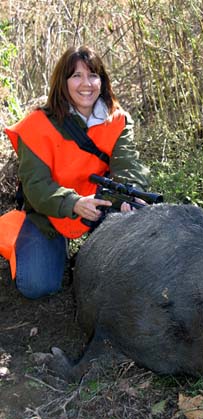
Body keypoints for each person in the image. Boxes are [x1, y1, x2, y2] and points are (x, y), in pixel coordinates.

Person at [3, 45, 149, 299]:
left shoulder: (118, 121)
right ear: (63, 82)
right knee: (37, 287)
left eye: (93, 75)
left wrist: (131, 197)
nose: (86, 84)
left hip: (99, 206)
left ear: (102, 81)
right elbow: (35, 187)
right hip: (48, 213)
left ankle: (85, 255)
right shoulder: (36, 126)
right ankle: (15, 230)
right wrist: (74, 203)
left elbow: (128, 167)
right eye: (76, 76)